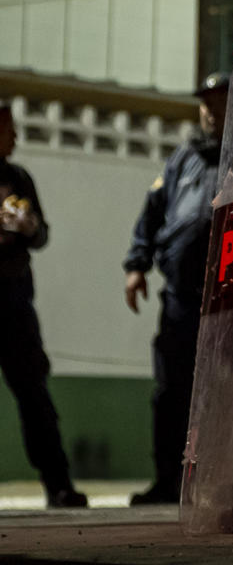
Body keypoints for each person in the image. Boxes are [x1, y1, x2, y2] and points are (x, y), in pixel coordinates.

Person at [122, 74, 226, 505]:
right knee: (170, 391)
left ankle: (222, 484)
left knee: (224, 392)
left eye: (219, 102)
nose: (211, 111)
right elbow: (152, 213)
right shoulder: (183, 159)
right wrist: (136, 265)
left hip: (228, 301)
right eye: (205, 104)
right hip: (181, 300)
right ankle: (168, 482)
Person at [0, 104, 87, 508]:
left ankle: (58, 484)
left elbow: (42, 234)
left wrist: (30, 227)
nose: (15, 137)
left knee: (34, 393)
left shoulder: (19, 178)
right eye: (8, 129)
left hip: (15, 302)